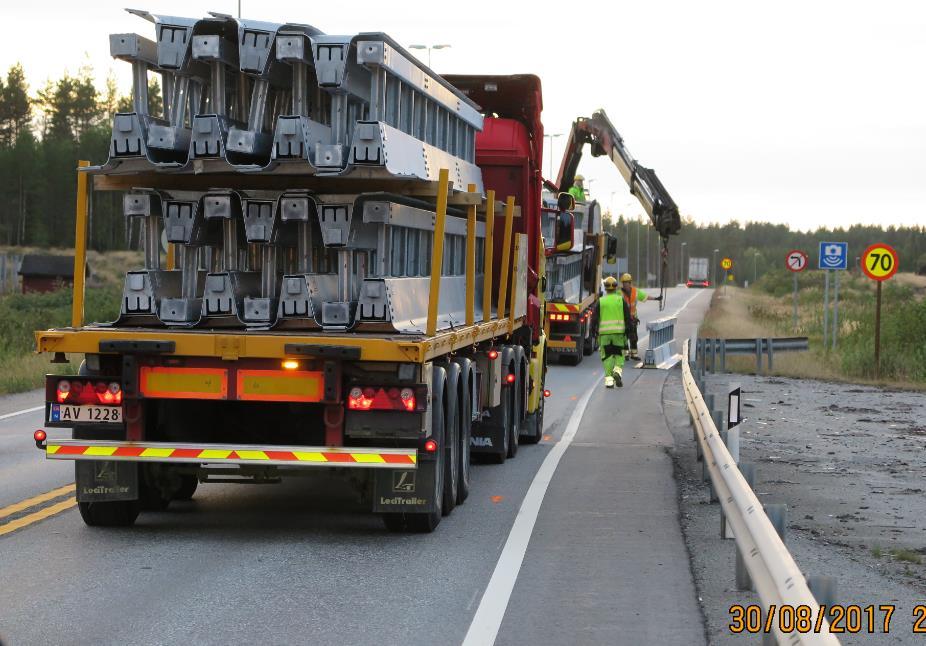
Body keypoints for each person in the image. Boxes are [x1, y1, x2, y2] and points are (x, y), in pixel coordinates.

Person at [620, 272, 662, 360]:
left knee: (634, 338)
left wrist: (656, 298)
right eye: (624, 283)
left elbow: (645, 297)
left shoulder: (636, 292)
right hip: (622, 319)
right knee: (624, 337)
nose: (625, 285)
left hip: (632, 319)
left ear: (630, 283)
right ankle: (625, 355)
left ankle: (634, 355)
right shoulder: (619, 293)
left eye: (627, 283)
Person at [598, 276, 629, 388]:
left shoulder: (601, 301)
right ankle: (617, 371)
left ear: (605, 288)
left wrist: (596, 333)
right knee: (619, 354)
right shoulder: (620, 300)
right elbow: (627, 317)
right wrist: (628, 332)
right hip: (618, 333)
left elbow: (595, 320)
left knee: (607, 356)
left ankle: (609, 381)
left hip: (605, 335)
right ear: (616, 287)